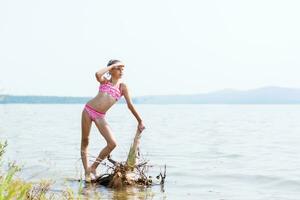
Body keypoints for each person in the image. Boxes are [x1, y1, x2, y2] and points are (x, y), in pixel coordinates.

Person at [80, 59, 146, 181]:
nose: (121, 71)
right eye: (118, 68)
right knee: (85, 141)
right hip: (88, 111)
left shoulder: (122, 87)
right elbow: (97, 74)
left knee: (112, 143)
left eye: (122, 69)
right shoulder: (105, 81)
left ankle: (93, 167)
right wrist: (113, 65)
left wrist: (140, 120)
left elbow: (130, 105)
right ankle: (87, 172)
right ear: (111, 70)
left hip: (100, 116)